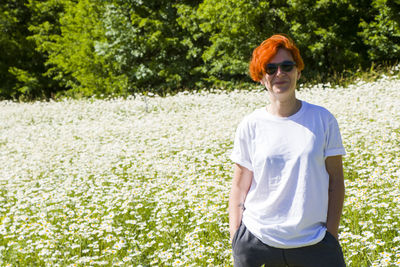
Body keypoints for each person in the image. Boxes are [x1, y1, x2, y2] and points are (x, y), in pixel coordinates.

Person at [228, 34, 347, 267]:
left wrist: (331, 235)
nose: (279, 74)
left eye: (287, 66)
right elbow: (239, 187)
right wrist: (237, 240)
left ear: (298, 72)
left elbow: (336, 180)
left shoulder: (323, 119)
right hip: (257, 243)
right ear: (261, 78)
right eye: (270, 68)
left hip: (315, 244)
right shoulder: (250, 125)